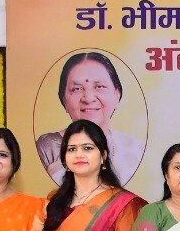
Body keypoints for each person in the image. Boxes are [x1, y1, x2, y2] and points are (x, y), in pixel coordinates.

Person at [35, 51, 144, 186]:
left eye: (99, 87)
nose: (88, 98)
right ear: (64, 99)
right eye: (77, 89)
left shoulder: (135, 149)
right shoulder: (46, 148)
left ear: (117, 95)